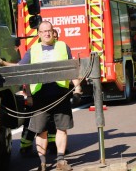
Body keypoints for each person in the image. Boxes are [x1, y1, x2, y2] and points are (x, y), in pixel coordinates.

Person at [18, 21, 82, 171]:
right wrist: (27, 94)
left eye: (49, 31)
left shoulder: (62, 46)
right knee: (41, 130)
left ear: (53, 32)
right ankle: (42, 163)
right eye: (44, 31)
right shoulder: (33, 50)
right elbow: (22, 71)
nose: (47, 33)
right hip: (40, 95)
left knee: (62, 128)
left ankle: (61, 161)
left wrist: (77, 88)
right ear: (39, 34)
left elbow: (71, 68)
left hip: (60, 93)